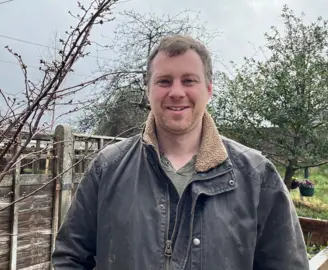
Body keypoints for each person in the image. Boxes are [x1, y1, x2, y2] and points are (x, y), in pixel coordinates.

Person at [51, 35, 309, 270]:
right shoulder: (107, 169)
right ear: (148, 90)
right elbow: (69, 258)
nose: (176, 92)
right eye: (164, 81)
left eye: (189, 80)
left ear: (208, 89)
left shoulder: (257, 177)